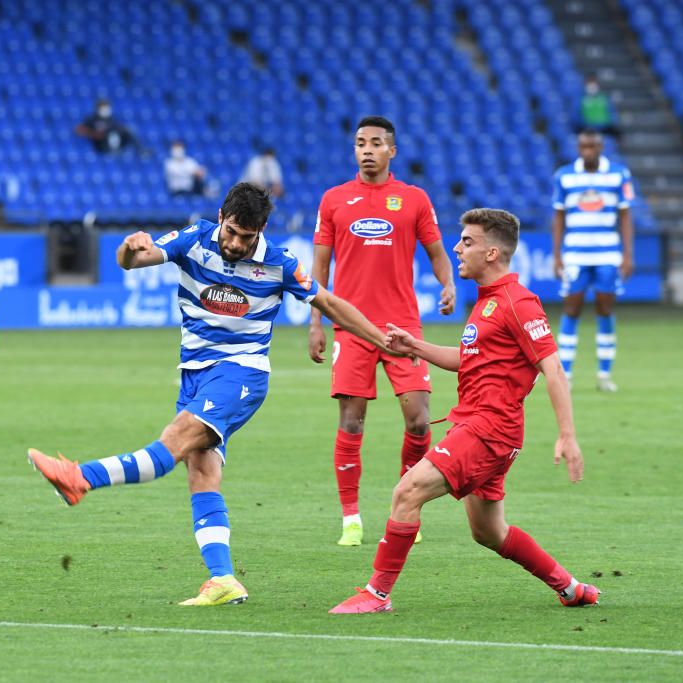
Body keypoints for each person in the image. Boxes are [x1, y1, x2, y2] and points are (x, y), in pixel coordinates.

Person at [27, 183, 405, 606]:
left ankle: (81, 479)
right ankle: (224, 579)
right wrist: (129, 248)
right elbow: (133, 262)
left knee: (170, 445)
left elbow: (331, 304)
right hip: (195, 374)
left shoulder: (279, 263)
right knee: (201, 473)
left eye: (247, 237)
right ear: (221, 216)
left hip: (241, 375)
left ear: (261, 231)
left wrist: (380, 339)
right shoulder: (194, 238)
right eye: (231, 232)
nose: (236, 243)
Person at [329, 208, 598, 614]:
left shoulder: (518, 302)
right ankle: (570, 587)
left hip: (489, 431)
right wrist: (414, 347)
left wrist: (568, 434)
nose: (456, 247)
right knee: (488, 532)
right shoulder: (489, 301)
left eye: (467, 242)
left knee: (407, 491)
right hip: (483, 428)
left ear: (492, 253)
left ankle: (376, 594)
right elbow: (470, 358)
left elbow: (553, 367)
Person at [308, 115, 455, 547]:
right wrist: (316, 322)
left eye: (375, 143)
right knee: (352, 424)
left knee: (419, 420)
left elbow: (437, 253)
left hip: (403, 329)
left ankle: (407, 502)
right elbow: (318, 268)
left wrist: (447, 284)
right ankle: (351, 518)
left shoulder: (412, 199)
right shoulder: (334, 199)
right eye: (360, 143)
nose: (367, 149)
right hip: (351, 327)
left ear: (392, 150)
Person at [551, 129, 634, 392]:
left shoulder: (618, 174)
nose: (588, 151)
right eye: (584, 146)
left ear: (601, 147)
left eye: (593, 146)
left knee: (605, 309)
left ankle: (604, 374)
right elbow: (559, 218)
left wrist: (628, 255)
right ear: (578, 148)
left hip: (608, 254)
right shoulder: (564, 176)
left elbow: (625, 216)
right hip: (575, 254)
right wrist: (557, 256)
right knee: (572, 309)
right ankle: (566, 374)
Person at [75, 98, 142, 154]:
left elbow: (118, 128)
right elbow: (79, 130)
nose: (106, 110)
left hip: (114, 141)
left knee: (127, 130)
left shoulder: (111, 119)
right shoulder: (92, 119)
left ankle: (140, 150)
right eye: (103, 108)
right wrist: (95, 134)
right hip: (100, 144)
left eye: (107, 108)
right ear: (98, 109)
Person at [575, 74, 621, 139]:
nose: (592, 85)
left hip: (604, 127)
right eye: (589, 82)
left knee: (617, 133)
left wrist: (609, 123)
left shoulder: (604, 98)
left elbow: (612, 113)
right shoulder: (580, 99)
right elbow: (576, 116)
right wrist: (586, 124)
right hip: (588, 128)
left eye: (593, 82)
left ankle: (612, 148)